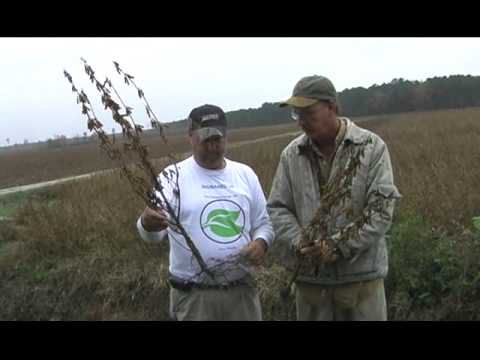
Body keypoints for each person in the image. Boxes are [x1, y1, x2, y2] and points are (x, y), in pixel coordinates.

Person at [267, 75, 401, 321]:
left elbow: (381, 209)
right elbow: (277, 208)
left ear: (332, 108)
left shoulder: (371, 147)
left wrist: (337, 245)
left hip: (361, 283)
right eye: (297, 114)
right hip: (311, 286)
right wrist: (299, 241)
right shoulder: (291, 155)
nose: (302, 122)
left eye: (309, 112)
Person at [137, 104, 274, 321]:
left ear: (226, 136)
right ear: (190, 137)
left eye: (217, 139)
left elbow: (264, 224)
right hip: (194, 298)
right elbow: (151, 236)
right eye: (205, 140)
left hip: (242, 295)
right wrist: (146, 223)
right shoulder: (172, 177)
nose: (212, 147)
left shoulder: (245, 175)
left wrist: (261, 243)